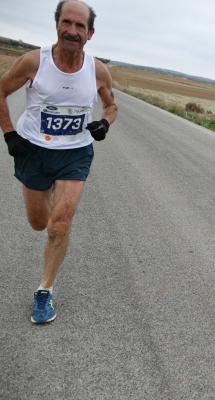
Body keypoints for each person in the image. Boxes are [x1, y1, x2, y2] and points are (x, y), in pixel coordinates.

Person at [0, 0, 117, 323]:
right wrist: (10, 134)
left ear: (90, 33)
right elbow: (1, 91)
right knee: (39, 223)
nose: (72, 31)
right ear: (57, 25)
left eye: (80, 26)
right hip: (34, 151)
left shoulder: (97, 70)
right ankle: (50, 199)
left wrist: (104, 123)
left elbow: (111, 107)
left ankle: (45, 291)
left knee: (60, 224)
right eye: (67, 23)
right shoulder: (32, 62)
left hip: (74, 153)